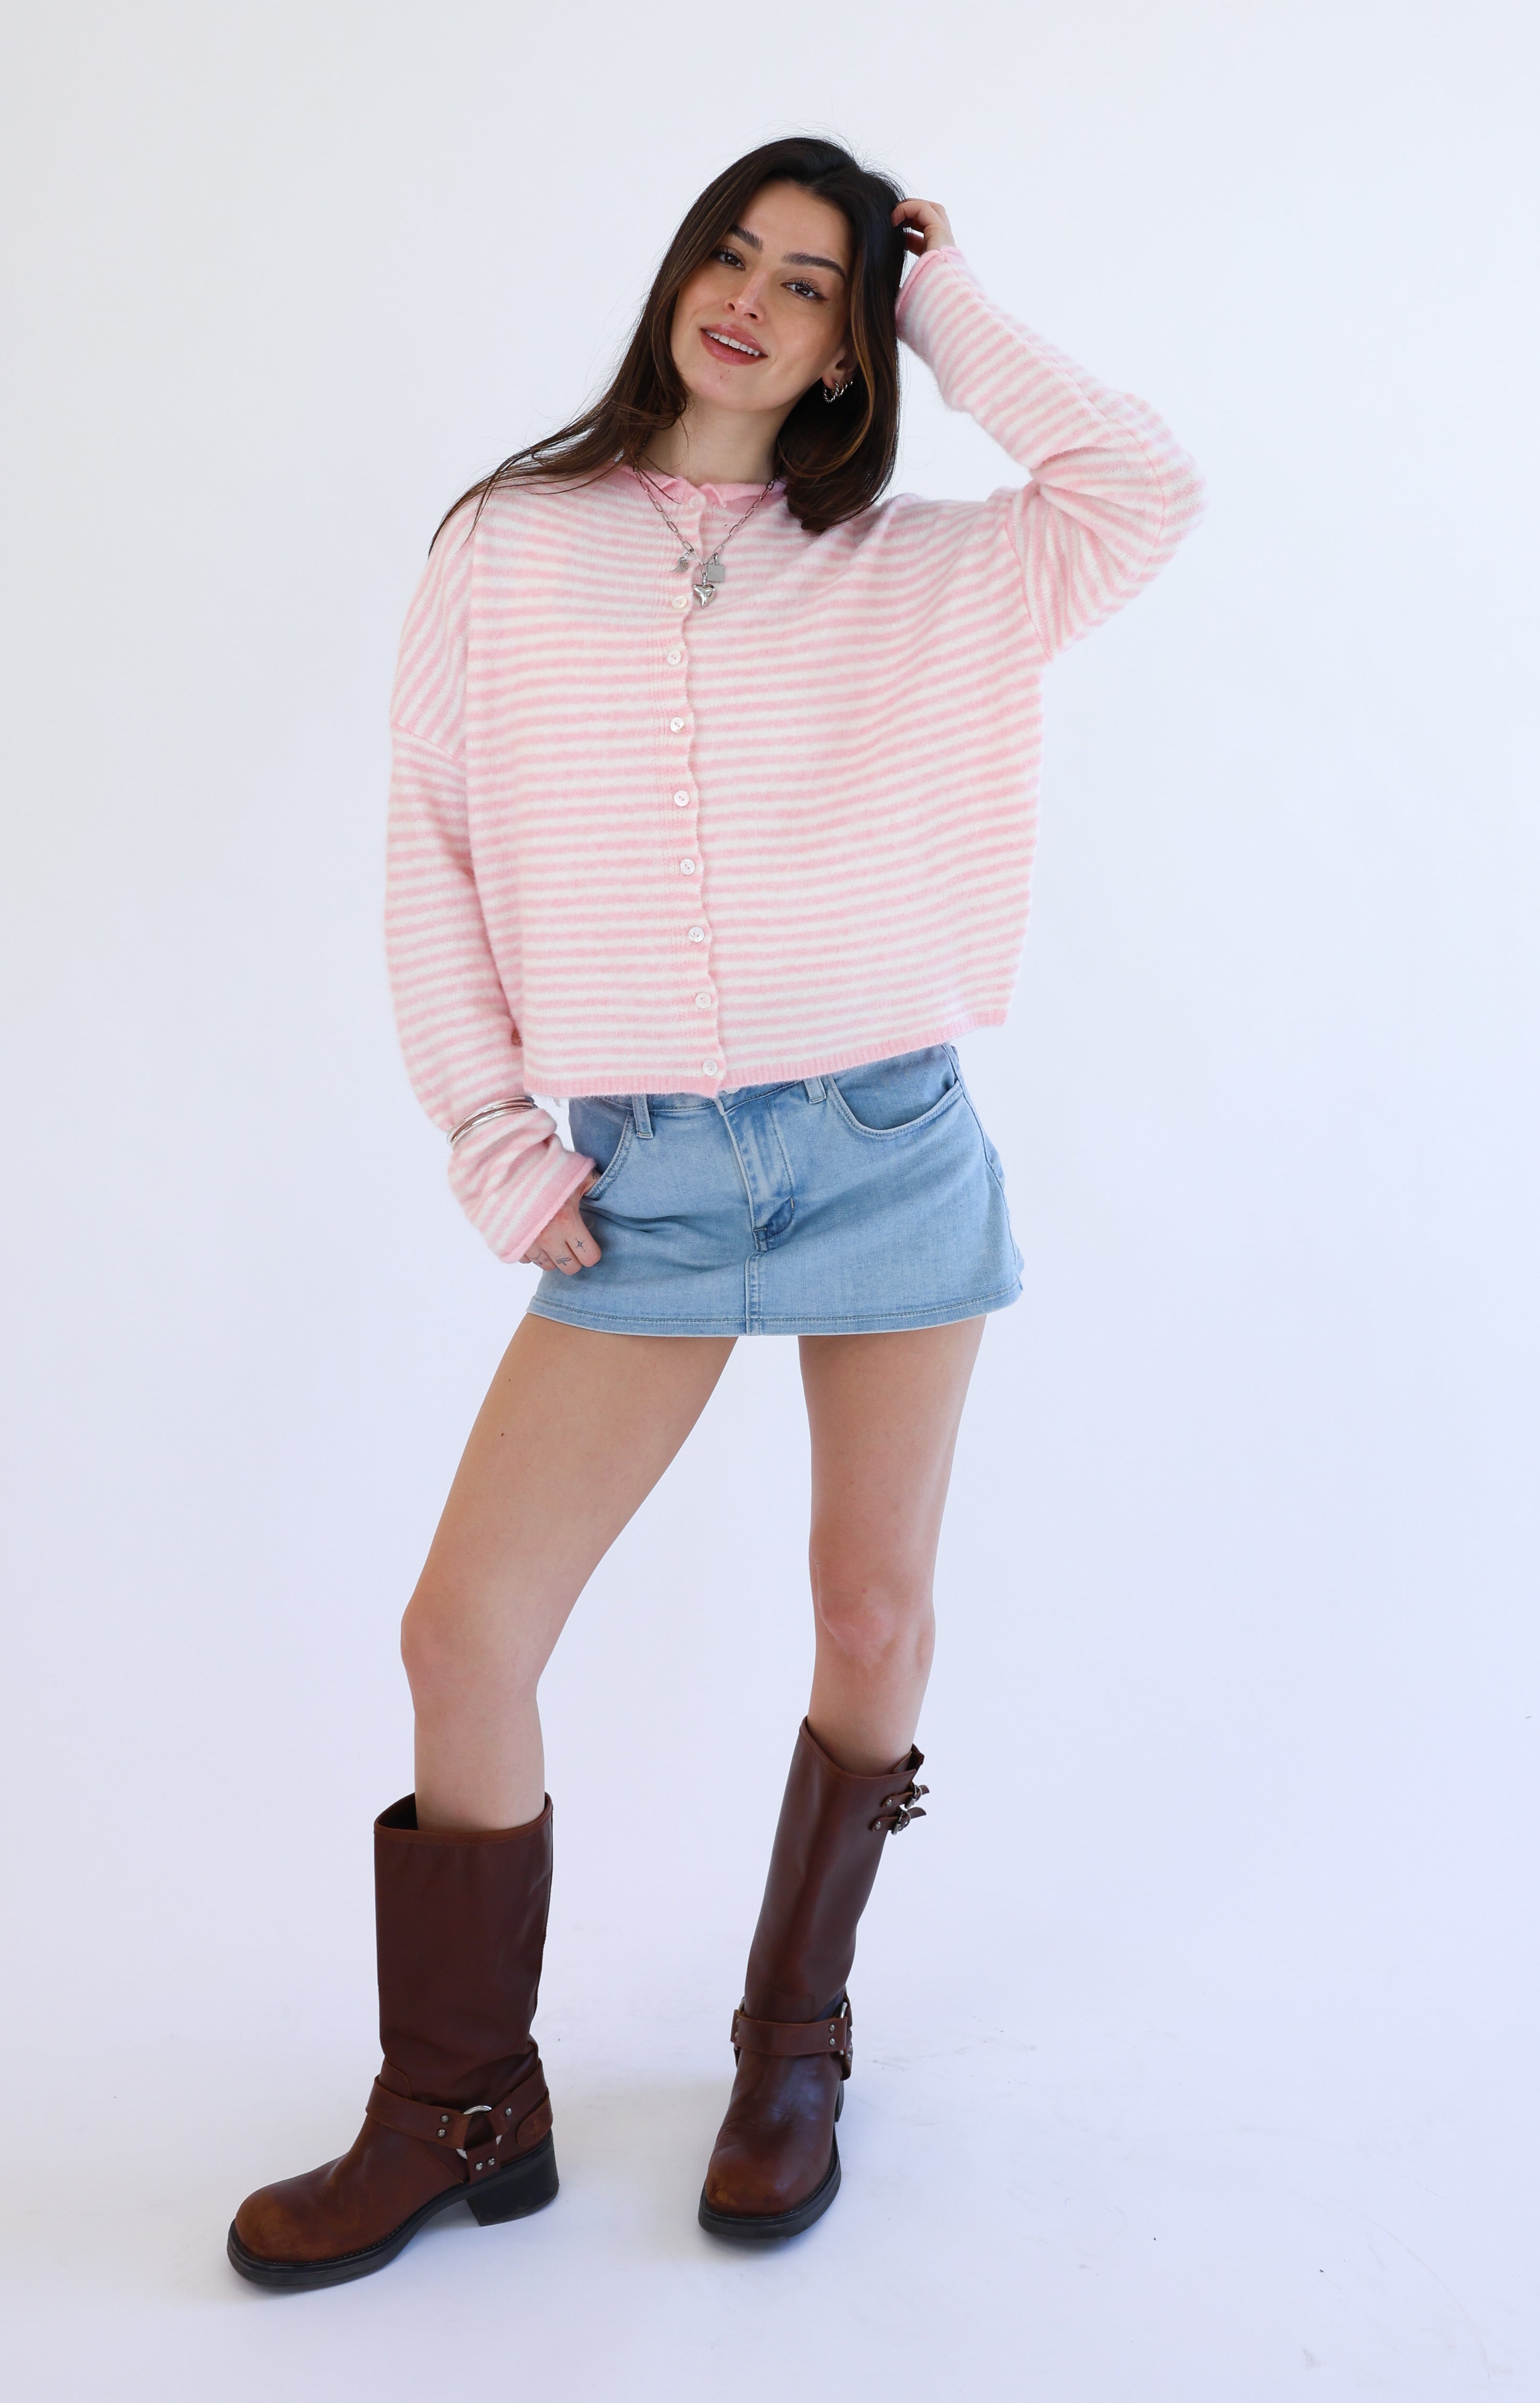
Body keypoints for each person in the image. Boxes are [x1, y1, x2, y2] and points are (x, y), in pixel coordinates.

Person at [227, 135, 1204, 2288]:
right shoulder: (508, 544)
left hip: (886, 1139)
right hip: (643, 1176)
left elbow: (1139, 488)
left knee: (869, 1613)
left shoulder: (933, 571)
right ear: (679, 276)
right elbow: (430, 838)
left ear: (856, 343)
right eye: (730, 256)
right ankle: (457, 2103)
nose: (752, 300)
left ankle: (794, 2045)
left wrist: (948, 297)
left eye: (815, 283)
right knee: (462, 1632)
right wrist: (493, 1131)